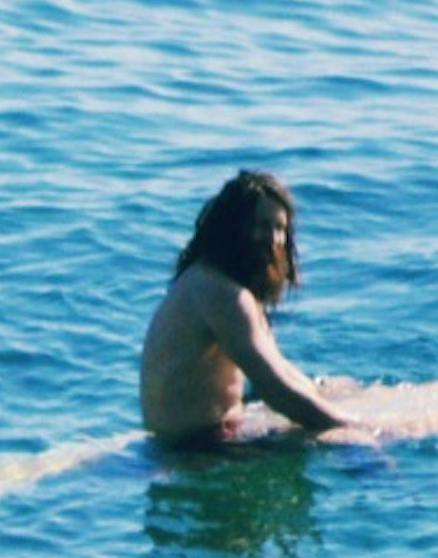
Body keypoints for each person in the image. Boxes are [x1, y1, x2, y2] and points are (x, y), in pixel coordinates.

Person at [134, 170, 358, 446]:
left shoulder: (205, 279)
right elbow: (275, 389)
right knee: (346, 433)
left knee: (339, 387)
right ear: (232, 227)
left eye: (280, 229)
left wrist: (317, 392)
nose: (273, 240)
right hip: (198, 448)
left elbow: (276, 369)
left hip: (191, 437)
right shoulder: (222, 295)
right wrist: (350, 427)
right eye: (262, 226)